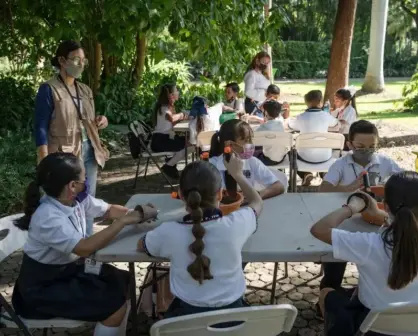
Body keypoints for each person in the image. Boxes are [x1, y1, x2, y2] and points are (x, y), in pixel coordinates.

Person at [12, 152, 157, 336]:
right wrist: (123, 222)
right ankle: (113, 322)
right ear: (72, 185)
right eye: (84, 178)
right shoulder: (48, 217)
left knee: (124, 280)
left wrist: (137, 214)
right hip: (42, 291)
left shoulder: (75, 199)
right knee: (113, 305)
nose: (86, 181)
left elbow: (109, 210)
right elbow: (85, 248)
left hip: (67, 272)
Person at [137, 158, 263, 317]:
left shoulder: (168, 231)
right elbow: (257, 202)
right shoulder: (236, 223)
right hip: (234, 320)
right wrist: (237, 174)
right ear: (220, 194)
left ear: (181, 196)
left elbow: (142, 245)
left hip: (184, 321)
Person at [311, 171, 418, 336]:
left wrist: (351, 208)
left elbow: (319, 229)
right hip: (411, 327)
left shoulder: (371, 244)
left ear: (386, 207)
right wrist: (380, 216)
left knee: (327, 293)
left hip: (371, 328)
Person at [316, 120, 403, 319]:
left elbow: (405, 182)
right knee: (334, 265)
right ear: (349, 145)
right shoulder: (341, 164)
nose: (366, 151)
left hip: (377, 222)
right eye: (360, 147)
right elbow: (323, 190)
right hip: (345, 222)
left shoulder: (385, 162)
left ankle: (368, 298)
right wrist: (349, 188)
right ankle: (326, 306)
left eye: (372, 147)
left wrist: (384, 190)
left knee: (380, 264)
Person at [34, 40, 109, 236]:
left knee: (87, 199)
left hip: (89, 151)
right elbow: (40, 126)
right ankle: (67, 244)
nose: (81, 64)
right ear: (61, 60)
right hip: (64, 156)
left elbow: (88, 119)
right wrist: (43, 160)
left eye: (83, 60)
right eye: (76, 59)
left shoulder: (85, 90)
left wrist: (101, 120)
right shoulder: (48, 89)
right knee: (64, 200)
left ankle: (88, 244)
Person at [209, 119, 287, 199]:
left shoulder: (252, 162)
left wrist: (257, 195)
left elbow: (279, 186)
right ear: (230, 144)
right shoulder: (211, 166)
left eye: (251, 139)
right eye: (246, 140)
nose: (250, 144)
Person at [288, 90, 339, 186]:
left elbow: (291, 125)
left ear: (306, 102)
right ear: (321, 102)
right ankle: (324, 174)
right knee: (323, 149)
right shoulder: (326, 116)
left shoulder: (301, 117)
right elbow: (335, 123)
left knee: (291, 153)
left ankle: (306, 174)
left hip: (305, 157)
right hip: (325, 157)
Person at [151, 83, 188, 179]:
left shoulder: (169, 107)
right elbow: (171, 118)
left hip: (165, 138)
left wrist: (183, 118)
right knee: (188, 144)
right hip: (160, 141)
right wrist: (182, 115)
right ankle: (169, 166)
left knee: (188, 141)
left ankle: (170, 164)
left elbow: (173, 124)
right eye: (176, 91)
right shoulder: (164, 108)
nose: (178, 92)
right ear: (171, 95)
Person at [254, 100, 287, 166]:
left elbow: (253, 138)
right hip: (281, 158)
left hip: (268, 160)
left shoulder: (264, 127)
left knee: (251, 152)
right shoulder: (281, 123)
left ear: (265, 112)